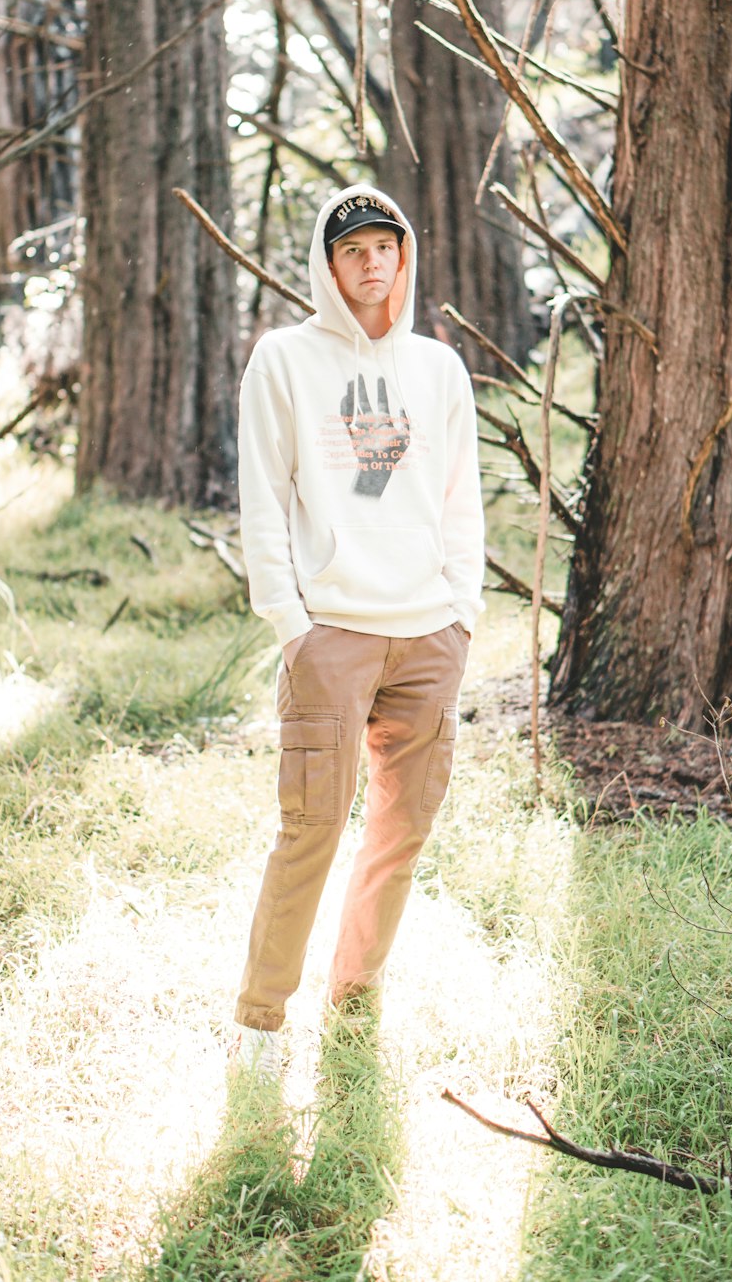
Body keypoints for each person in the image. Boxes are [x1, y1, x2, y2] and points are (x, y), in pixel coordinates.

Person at [232, 183, 484, 1076]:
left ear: (403, 257)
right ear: (328, 266)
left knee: (399, 832)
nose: (372, 263)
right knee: (311, 828)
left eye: (386, 247)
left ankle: (355, 997)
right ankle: (260, 1022)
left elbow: (461, 499)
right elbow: (262, 499)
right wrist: (290, 625)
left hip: (428, 635)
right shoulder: (284, 360)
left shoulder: (438, 370)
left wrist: (463, 611)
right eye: (353, 251)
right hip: (330, 633)